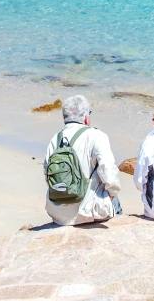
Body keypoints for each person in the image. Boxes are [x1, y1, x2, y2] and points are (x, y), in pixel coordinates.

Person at [42, 94, 120, 227]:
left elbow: (47, 173)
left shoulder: (55, 139)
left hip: (58, 214)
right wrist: (111, 195)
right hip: (89, 212)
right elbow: (108, 172)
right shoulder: (97, 136)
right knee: (116, 202)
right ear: (85, 117)